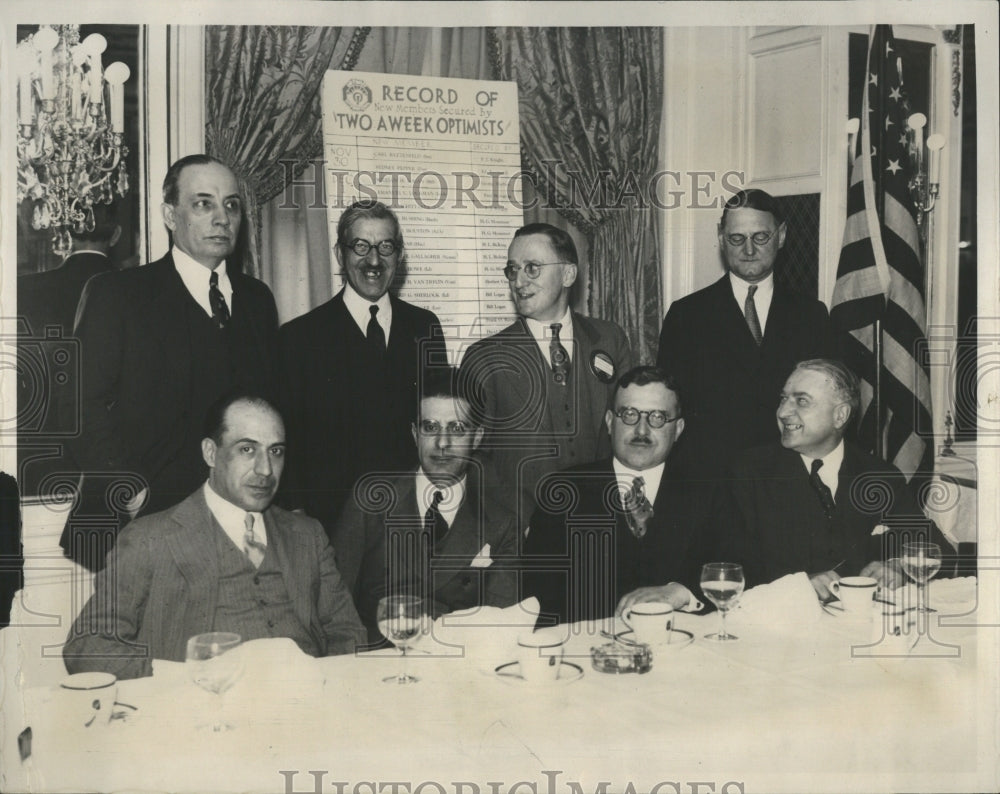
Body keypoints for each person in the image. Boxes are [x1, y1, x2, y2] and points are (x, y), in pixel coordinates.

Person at [65, 154, 279, 570]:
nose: (222, 218)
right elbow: (77, 404)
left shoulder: (257, 300)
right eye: (203, 204)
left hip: (236, 527)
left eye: (231, 205)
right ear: (169, 215)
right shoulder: (119, 294)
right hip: (138, 526)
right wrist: (126, 489)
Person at [63, 393, 365, 680]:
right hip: (205, 715)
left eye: (275, 451)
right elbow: (87, 646)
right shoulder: (150, 539)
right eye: (247, 449)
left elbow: (348, 633)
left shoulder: (307, 535)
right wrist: (178, 680)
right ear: (210, 452)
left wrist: (326, 687)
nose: (266, 469)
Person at [278, 201, 447, 540]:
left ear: (399, 256)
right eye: (361, 246)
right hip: (331, 526)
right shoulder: (299, 337)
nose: (374, 261)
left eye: (385, 247)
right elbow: (288, 437)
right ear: (340, 254)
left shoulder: (424, 327)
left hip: (411, 521)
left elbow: (436, 427)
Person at [522, 365, 732, 625]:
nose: (641, 431)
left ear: (678, 429)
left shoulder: (709, 491)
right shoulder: (563, 491)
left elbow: (737, 570)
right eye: (630, 414)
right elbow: (537, 595)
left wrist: (681, 592)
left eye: (657, 417)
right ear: (611, 422)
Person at [732, 359, 953, 599]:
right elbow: (726, 565)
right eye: (784, 398)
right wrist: (798, 585)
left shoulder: (879, 476)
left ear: (840, 415)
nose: (783, 412)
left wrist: (898, 567)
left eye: (801, 401)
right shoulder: (749, 471)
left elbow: (940, 552)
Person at [461, 223, 634, 525]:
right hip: (522, 536)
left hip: (602, 523)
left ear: (568, 274)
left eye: (532, 268)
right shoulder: (485, 356)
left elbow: (629, 431)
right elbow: (474, 458)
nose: (519, 281)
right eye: (512, 270)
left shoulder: (610, 339)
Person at [332, 369, 518, 642]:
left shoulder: (501, 521)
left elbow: (499, 627)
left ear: (477, 437)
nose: (442, 443)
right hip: (377, 665)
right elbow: (335, 612)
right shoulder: (370, 501)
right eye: (430, 427)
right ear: (414, 434)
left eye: (457, 429)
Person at [657, 188, 834, 456]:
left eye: (761, 237)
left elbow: (826, 408)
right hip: (713, 479)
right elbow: (669, 410)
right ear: (721, 237)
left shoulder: (811, 315)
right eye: (737, 238)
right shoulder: (686, 315)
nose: (749, 249)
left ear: (782, 236)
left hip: (789, 475)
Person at [16, 205, 121, 497]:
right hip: (112, 462)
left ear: (65, 234)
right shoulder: (136, 292)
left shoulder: (24, 289)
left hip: (36, 455)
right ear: (115, 236)